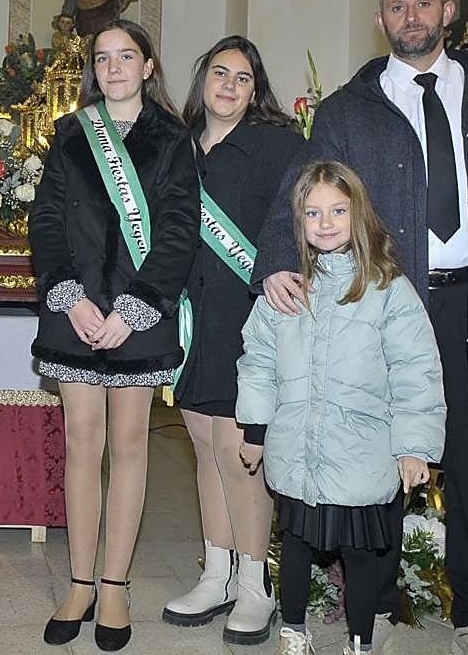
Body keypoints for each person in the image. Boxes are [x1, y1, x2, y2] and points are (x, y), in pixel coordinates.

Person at [254, 0, 468, 655]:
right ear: (380, 20)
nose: (410, 17)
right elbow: (299, 191)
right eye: (396, 8)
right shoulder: (346, 110)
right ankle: (383, 607)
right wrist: (278, 260)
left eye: (422, 4)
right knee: (379, 461)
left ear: (447, 11)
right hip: (383, 305)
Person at [30, 19, 198, 651]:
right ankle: (78, 582)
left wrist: (135, 307)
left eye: (127, 56)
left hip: (138, 313)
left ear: (148, 67)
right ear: (92, 69)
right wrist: (68, 297)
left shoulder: (173, 140)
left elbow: (179, 229)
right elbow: (46, 217)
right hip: (76, 313)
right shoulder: (71, 134)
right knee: (81, 444)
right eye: (103, 59)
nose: (115, 67)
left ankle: (116, 582)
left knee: (129, 445)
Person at [237, 160, 446, 655]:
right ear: (299, 222)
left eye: (337, 211)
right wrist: (254, 429)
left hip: (361, 452)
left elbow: (417, 369)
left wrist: (414, 448)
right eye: (313, 213)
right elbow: (257, 360)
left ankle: (360, 639)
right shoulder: (283, 292)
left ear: (359, 216)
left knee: (359, 553)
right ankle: (293, 631)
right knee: (295, 543)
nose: (325, 223)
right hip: (297, 450)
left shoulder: (387, 288)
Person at [162, 36, 302, 644]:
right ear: (202, 80)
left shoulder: (278, 145)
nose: (229, 85)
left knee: (239, 451)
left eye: (243, 78)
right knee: (202, 443)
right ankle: (216, 571)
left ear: (255, 89)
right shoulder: (175, 147)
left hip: (249, 317)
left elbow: (297, 220)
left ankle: (254, 585)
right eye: (220, 73)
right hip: (192, 316)